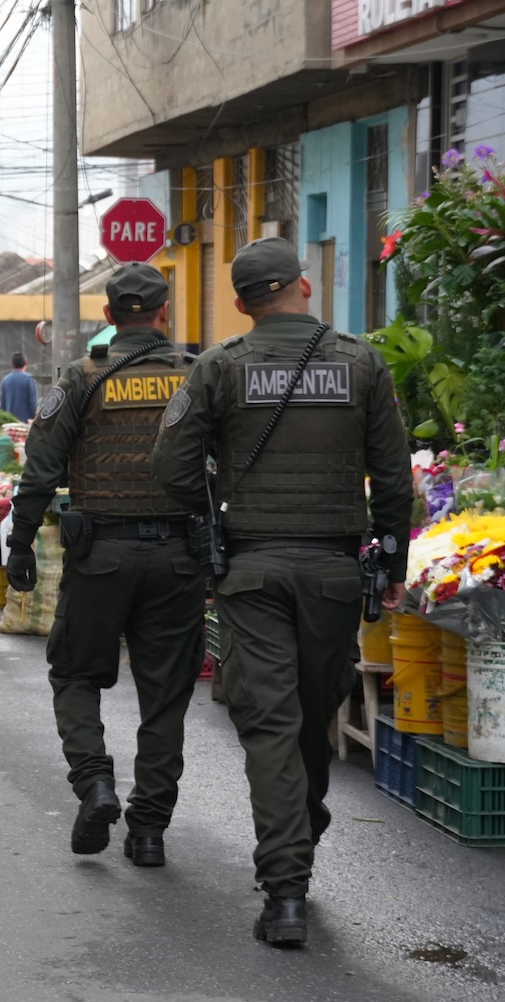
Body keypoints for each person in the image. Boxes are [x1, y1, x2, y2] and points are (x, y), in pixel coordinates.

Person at [152, 238, 412, 944]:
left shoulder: (219, 367)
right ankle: (294, 859)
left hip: (252, 569)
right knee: (309, 716)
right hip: (334, 572)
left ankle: (286, 885)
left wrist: (212, 513)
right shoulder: (362, 362)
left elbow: (170, 462)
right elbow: (394, 477)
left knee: (272, 721)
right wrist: (391, 563)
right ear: (304, 285)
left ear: (241, 303)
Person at [6, 264, 203, 868]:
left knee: (74, 673)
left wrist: (18, 544)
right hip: (177, 558)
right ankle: (148, 832)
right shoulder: (196, 377)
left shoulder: (82, 377)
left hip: (100, 557)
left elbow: (40, 467)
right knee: (165, 696)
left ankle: (94, 783)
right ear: (164, 313)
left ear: (112, 315)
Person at [0, 354, 39, 422]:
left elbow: (2, 406)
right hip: (25, 424)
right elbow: (33, 403)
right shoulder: (29, 379)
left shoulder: (5, 381)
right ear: (26, 363)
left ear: (12, 364)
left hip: (10, 423)